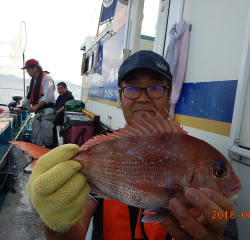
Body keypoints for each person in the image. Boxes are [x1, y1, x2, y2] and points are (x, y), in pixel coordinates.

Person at [27, 51, 238, 240]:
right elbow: (73, 234)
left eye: (155, 88)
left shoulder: (198, 156)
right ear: (120, 96)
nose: (143, 97)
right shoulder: (103, 150)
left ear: (169, 95)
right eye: (132, 88)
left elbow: (224, 226)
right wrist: (56, 222)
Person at [21, 59, 56, 149]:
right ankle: (35, 156)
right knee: (35, 134)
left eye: (28, 69)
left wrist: (36, 106)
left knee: (47, 133)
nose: (27, 71)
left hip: (48, 110)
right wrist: (21, 106)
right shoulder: (33, 80)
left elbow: (48, 97)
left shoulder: (47, 78)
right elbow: (28, 98)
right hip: (39, 111)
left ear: (35, 68)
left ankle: (49, 153)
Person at [53, 82, 75, 146]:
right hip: (58, 116)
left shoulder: (70, 96)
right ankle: (52, 142)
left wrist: (57, 113)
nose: (59, 90)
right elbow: (56, 106)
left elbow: (65, 106)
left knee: (52, 124)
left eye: (61, 88)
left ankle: (53, 144)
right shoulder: (60, 97)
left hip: (64, 118)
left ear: (66, 88)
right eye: (58, 89)